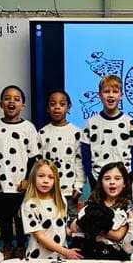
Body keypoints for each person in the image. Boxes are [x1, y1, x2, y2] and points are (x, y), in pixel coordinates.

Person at [0, 85, 38, 260]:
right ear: (1, 104)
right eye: (7, 98)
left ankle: (22, 245)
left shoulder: (29, 128)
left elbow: (33, 158)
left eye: (17, 99)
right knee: (3, 218)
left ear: (23, 105)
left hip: (21, 183)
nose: (12, 101)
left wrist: (28, 180)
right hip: (2, 184)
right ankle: (7, 245)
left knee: (22, 217)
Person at [81, 75, 133, 190]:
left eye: (115, 91)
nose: (110, 95)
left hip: (123, 179)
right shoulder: (91, 122)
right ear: (100, 95)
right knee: (99, 208)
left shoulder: (129, 122)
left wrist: (131, 174)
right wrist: (90, 175)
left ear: (121, 96)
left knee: (123, 207)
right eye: (106, 91)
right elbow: (85, 151)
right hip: (98, 178)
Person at [37, 89, 85, 223]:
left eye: (62, 104)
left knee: (72, 219)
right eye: (53, 104)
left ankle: (72, 244)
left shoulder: (77, 133)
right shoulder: (42, 133)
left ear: (68, 107)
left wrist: (79, 185)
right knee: (49, 218)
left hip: (69, 188)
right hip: (48, 188)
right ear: (47, 108)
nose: (57, 107)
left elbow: (79, 161)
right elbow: (38, 163)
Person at [21, 159, 83, 260]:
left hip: (61, 258)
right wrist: (66, 252)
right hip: (39, 259)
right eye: (41, 176)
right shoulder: (29, 204)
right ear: (33, 178)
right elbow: (40, 236)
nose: (46, 181)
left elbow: (61, 228)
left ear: (55, 180)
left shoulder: (61, 200)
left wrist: (76, 230)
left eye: (51, 177)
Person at [70, 161, 131, 260]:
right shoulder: (93, 202)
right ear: (101, 183)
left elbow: (118, 235)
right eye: (107, 178)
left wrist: (92, 227)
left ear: (124, 183)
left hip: (111, 255)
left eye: (117, 178)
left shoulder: (128, 206)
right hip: (84, 250)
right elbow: (73, 227)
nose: (112, 182)